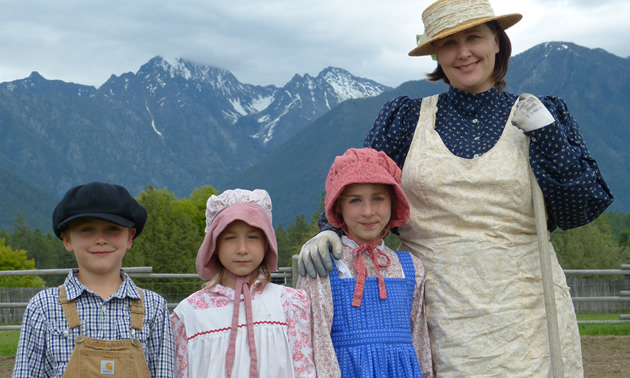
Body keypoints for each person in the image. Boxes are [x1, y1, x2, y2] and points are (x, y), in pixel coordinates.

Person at [298, 0, 614, 376]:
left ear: (497, 42)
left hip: (530, 313)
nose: (463, 52)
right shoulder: (406, 119)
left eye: (474, 37)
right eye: (449, 43)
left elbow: (578, 209)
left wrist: (548, 137)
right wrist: (329, 230)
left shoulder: (542, 116)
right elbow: (361, 184)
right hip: (435, 313)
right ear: (436, 54)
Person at [13, 181, 175, 377]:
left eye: (113, 229)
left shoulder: (155, 307)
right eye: (87, 229)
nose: (100, 239)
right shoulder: (43, 307)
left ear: (130, 237)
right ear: (67, 239)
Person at [298, 148, 432, 377]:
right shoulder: (324, 267)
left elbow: (420, 344)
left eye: (378, 198)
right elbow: (316, 345)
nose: (368, 212)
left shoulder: (410, 267)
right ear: (338, 206)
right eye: (355, 200)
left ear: (393, 203)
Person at [170, 188, 316, 378]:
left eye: (253, 237)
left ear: (267, 242)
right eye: (230, 238)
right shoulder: (189, 315)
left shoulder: (289, 303)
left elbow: (304, 370)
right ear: (214, 246)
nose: (242, 249)